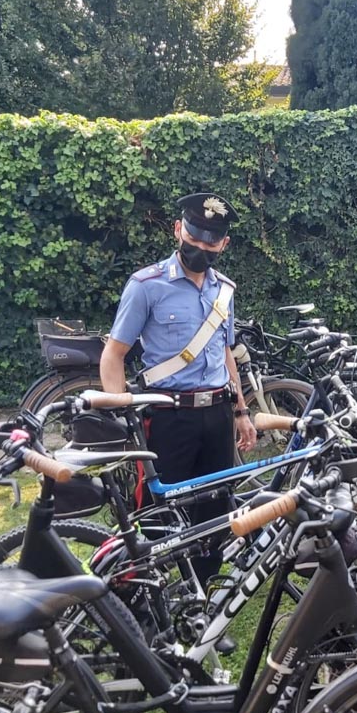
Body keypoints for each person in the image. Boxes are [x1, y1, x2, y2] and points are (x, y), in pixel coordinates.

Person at [100, 191, 257, 583]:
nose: (200, 247)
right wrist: (122, 415)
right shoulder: (146, 285)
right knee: (156, 512)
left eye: (211, 240)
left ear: (224, 244)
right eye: (194, 236)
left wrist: (241, 412)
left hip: (218, 415)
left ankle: (200, 597)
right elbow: (113, 354)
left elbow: (224, 353)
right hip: (168, 418)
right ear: (177, 230)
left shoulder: (225, 291)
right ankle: (148, 598)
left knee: (216, 513)